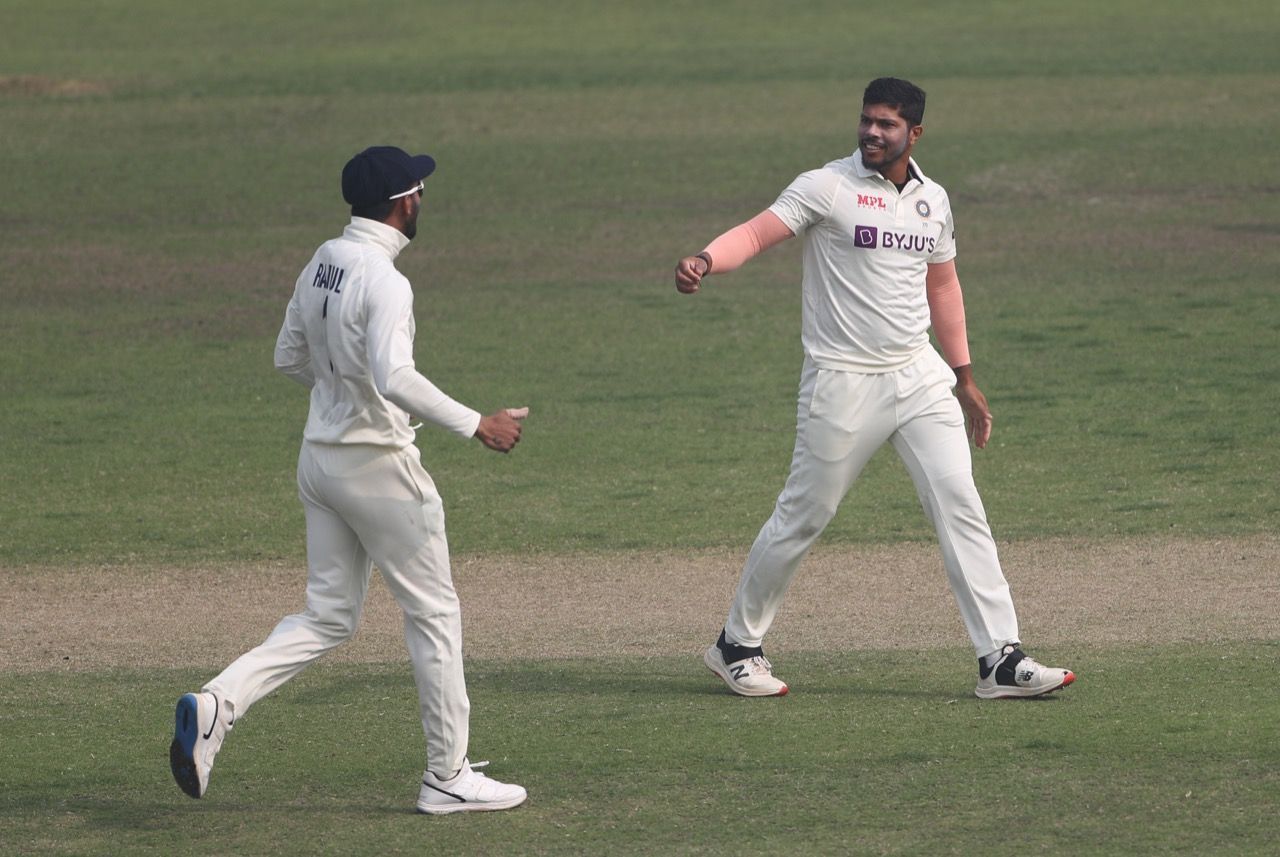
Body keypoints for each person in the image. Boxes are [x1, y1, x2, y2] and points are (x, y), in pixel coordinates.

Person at [674, 78, 1075, 701]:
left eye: (886, 124)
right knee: (806, 513)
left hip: (918, 375)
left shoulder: (933, 199)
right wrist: (704, 258)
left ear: (914, 133)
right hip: (842, 377)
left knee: (959, 500)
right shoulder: (826, 186)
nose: (871, 133)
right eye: (866, 120)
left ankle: (999, 658)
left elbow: (941, 286)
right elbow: (755, 234)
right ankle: (736, 645)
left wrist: (964, 375)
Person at [170, 146, 529, 814]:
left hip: (320, 464)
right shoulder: (387, 282)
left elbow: (288, 357)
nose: (423, 201)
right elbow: (394, 377)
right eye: (420, 191)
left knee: (328, 615)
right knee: (435, 613)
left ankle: (218, 702)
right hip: (379, 471)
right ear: (404, 201)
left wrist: (342, 396)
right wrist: (477, 423)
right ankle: (447, 775)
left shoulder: (324, 261)